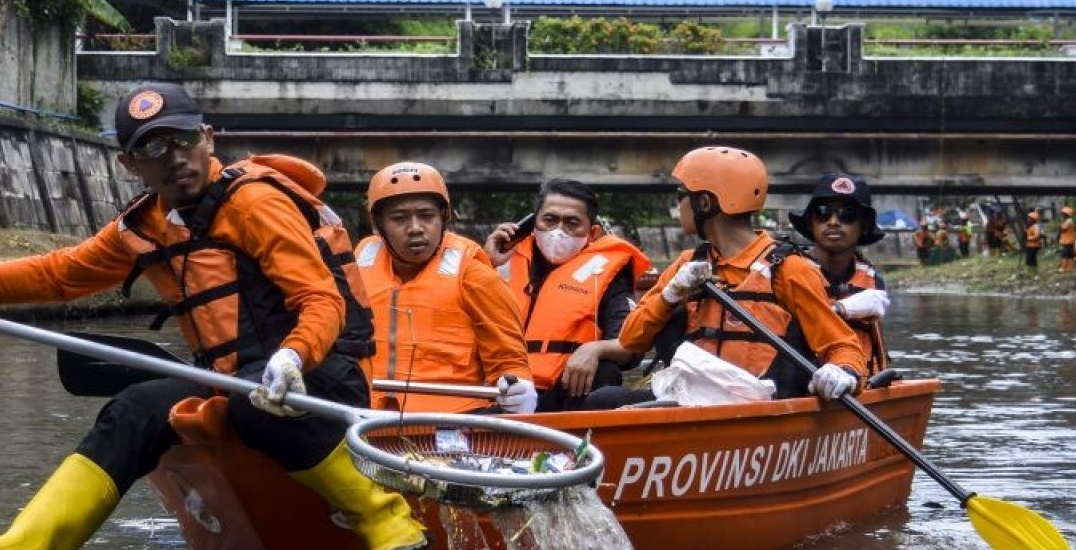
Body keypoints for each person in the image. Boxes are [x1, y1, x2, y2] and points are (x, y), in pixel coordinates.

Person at [0, 83, 429, 550]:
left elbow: (319, 300)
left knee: (252, 401)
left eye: (183, 140)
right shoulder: (144, 228)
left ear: (208, 139)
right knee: (136, 407)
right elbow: (60, 273)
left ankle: (385, 517)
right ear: (128, 163)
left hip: (319, 375)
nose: (174, 159)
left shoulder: (256, 202)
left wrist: (294, 355)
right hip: (235, 380)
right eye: (151, 148)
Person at [586, 146, 867, 409]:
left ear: (705, 202)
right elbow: (630, 339)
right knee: (603, 400)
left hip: (759, 406)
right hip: (691, 400)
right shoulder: (688, 264)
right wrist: (669, 296)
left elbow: (842, 346)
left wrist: (843, 372)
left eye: (682, 193)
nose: (678, 203)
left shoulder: (790, 270)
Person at [355, 161, 536, 414]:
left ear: (444, 217)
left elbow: (509, 359)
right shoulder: (356, 267)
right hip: (366, 413)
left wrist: (519, 386)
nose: (415, 228)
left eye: (426, 216)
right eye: (399, 218)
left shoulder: (474, 273)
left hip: (455, 418)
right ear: (378, 223)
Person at [483, 178, 649, 412]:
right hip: (504, 388)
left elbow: (631, 344)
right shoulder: (499, 261)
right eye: (549, 220)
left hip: (565, 391)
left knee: (605, 369)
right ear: (533, 223)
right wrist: (486, 264)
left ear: (592, 233)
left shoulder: (607, 275)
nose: (558, 231)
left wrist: (594, 349)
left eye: (572, 223)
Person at [788, 173, 891, 375]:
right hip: (803, 386)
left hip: (857, 385)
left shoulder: (873, 281)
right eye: (823, 213)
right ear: (810, 223)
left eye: (847, 214)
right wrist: (839, 309)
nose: (833, 222)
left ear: (864, 226)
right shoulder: (787, 272)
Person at [1058, 205, 1076, 272]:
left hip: (1068, 241)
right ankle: (1070, 268)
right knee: (1070, 255)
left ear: (1066, 214)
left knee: (1065, 254)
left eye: (1063, 214)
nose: (1062, 215)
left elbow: (1063, 229)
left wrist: (1061, 224)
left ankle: (1063, 268)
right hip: (1069, 240)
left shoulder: (1068, 221)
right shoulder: (1068, 220)